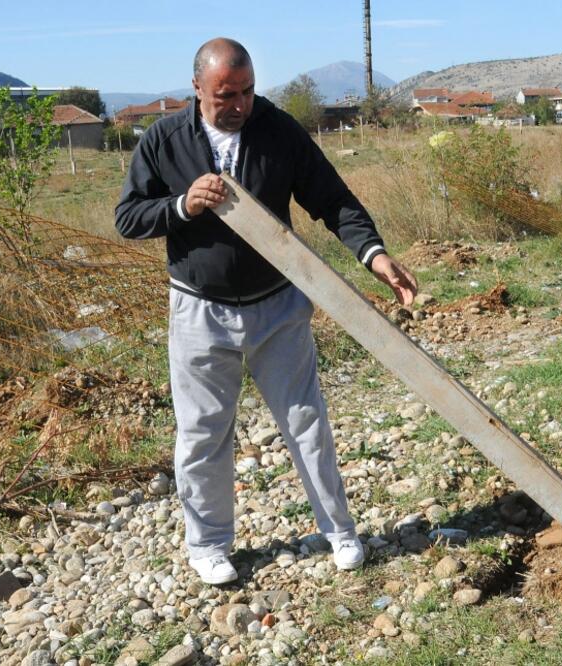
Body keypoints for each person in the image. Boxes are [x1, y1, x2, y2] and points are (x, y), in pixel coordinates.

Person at [115, 37, 417, 585]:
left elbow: (333, 199)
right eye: (225, 95)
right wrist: (182, 205)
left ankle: (340, 532)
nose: (239, 105)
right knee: (203, 433)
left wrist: (374, 255)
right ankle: (208, 545)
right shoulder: (165, 139)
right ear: (197, 89)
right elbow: (129, 217)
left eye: (248, 92)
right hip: (199, 312)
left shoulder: (278, 131)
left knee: (307, 424)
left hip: (278, 307)